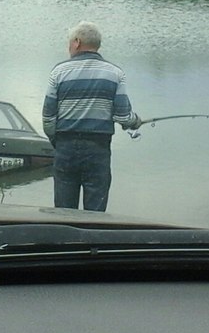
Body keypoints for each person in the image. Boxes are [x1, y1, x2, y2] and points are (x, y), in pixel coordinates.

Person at [42, 21, 140, 211]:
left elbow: (48, 118)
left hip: (65, 146)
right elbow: (123, 117)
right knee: (95, 212)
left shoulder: (58, 72)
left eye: (69, 42)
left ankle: (64, 239)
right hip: (98, 148)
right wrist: (135, 121)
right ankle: (94, 238)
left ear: (77, 42)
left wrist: (57, 142)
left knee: (63, 211)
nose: (69, 47)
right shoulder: (115, 74)